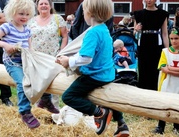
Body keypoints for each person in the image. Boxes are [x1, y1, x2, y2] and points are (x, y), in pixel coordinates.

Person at [56, 0, 130, 136]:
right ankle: (121, 124)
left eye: (83, 11)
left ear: (88, 13)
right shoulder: (104, 29)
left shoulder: (92, 33)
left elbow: (86, 58)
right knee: (109, 97)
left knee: (68, 96)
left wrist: (69, 61)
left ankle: (99, 113)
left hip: (95, 75)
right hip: (109, 73)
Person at [0, 0, 39, 128]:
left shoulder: (27, 30)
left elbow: (29, 47)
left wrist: (34, 57)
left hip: (25, 62)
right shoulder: (7, 27)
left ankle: (46, 100)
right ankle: (25, 112)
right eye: (21, 13)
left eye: (27, 14)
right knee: (23, 83)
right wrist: (5, 45)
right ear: (12, 13)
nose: (24, 17)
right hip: (12, 62)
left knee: (41, 77)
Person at [27, 0, 68, 113]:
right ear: (37, 7)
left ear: (50, 6)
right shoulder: (31, 21)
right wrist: (30, 50)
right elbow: (27, 37)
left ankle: (53, 114)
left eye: (46, 3)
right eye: (41, 4)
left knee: (53, 85)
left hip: (53, 58)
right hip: (36, 59)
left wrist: (61, 51)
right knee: (37, 84)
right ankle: (37, 112)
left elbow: (65, 36)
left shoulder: (57, 19)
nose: (44, 6)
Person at [153, 27, 179, 135]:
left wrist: (171, 69)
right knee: (164, 104)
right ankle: (161, 126)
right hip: (166, 82)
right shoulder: (165, 52)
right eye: (172, 38)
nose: (173, 41)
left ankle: (176, 127)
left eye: (176, 38)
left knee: (177, 105)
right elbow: (163, 67)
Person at [133, 0, 169, 91]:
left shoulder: (163, 14)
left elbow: (165, 34)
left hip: (156, 44)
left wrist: (168, 51)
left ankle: (155, 92)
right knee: (143, 69)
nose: (149, 0)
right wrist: (136, 30)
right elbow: (135, 33)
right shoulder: (138, 14)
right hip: (143, 44)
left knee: (155, 69)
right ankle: (142, 92)